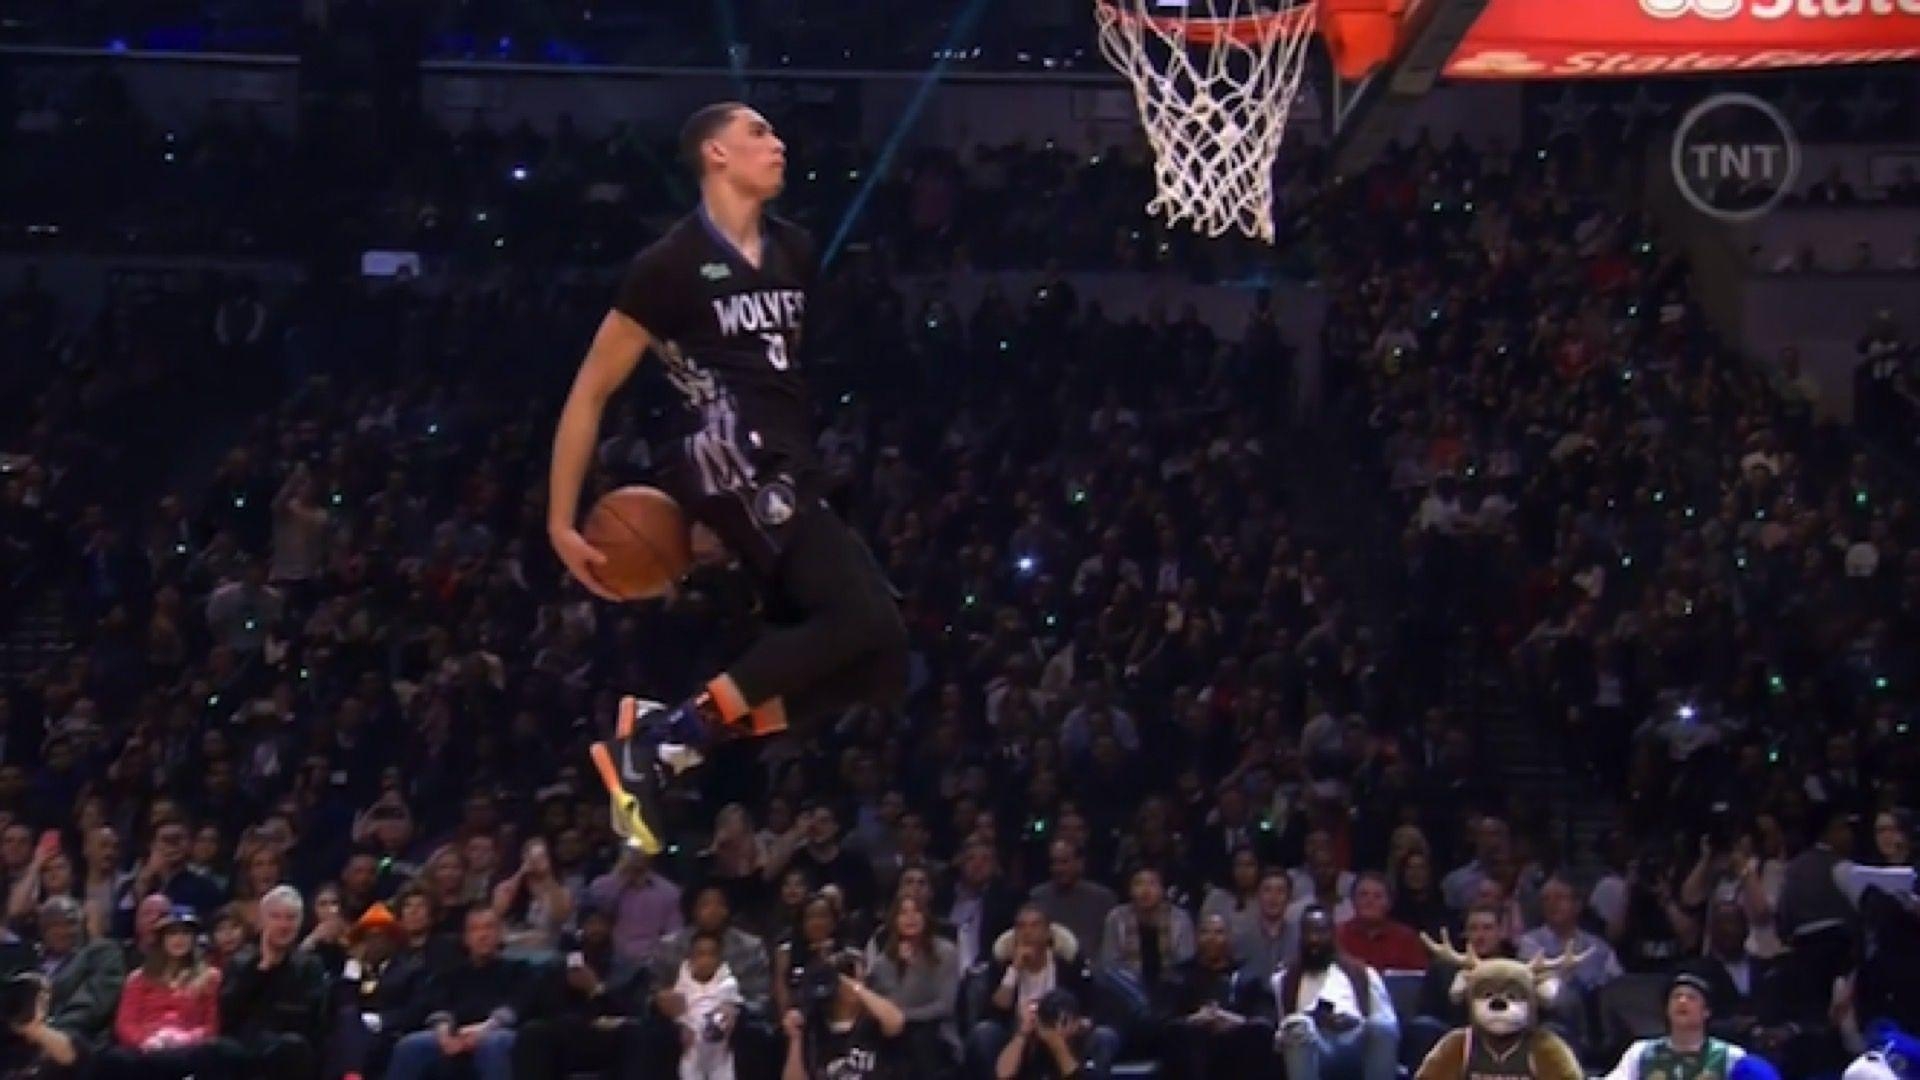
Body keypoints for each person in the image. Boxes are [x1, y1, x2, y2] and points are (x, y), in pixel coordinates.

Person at [547, 100, 909, 852]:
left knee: (883, 662)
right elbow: (588, 391)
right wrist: (559, 520)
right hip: (728, 459)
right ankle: (662, 742)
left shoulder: (797, 251)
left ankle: (668, 736)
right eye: (759, 133)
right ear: (715, 154)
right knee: (861, 619)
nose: (778, 144)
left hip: (785, 461)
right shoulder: (667, 266)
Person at [385, 906, 542, 1080]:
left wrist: (485, 1029)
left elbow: (518, 1005)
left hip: (498, 1031)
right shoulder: (452, 974)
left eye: (489, 928)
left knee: (494, 1043)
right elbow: (439, 1006)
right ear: (466, 938)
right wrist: (444, 1034)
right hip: (456, 1033)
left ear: (500, 934)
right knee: (410, 1045)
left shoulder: (520, 970)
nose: (483, 935)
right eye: (475, 929)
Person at [105, 906, 244, 1079]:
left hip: (190, 1050)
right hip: (147, 1050)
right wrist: (146, 1041)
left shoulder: (210, 977)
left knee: (219, 1050)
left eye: (185, 933)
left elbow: (211, 1025)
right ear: (162, 939)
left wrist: (185, 1039)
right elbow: (125, 1023)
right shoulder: (138, 978)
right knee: (116, 1058)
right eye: (172, 934)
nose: (179, 939)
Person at [1272, 906, 1398, 1080]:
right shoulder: (1284, 979)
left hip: (1355, 1043)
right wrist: (1312, 1021)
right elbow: (1280, 1035)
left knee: (1381, 1026)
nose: (1314, 939)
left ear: (1333, 935)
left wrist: (1355, 1022)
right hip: (1313, 1047)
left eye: (1321, 932)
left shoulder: (1362, 973)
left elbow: (1387, 1022)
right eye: (1308, 933)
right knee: (1296, 1025)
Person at [219, 884, 328, 1078]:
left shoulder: (310, 965)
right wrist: (263, 968)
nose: (283, 925)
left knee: (292, 1045)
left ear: (300, 922)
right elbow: (228, 1014)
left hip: (287, 1045)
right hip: (245, 1046)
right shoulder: (241, 961)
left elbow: (311, 1017)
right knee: (215, 1048)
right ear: (262, 921)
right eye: (275, 917)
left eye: (291, 918)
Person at [1158, 913, 1275, 1080]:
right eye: (1205, 932)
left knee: (1257, 1033)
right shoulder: (1178, 977)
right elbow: (1162, 1021)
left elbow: (1266, 1018)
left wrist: (1234, 1021)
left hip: (1238, 1043)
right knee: (1181, 1035)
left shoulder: (1249, 977)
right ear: (1197, 937)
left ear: (1229, 937)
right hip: (1193, 1046)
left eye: (1218, 932)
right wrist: (1194, 1020)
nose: (1212, 938)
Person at [1601, 972, 1755, 1080]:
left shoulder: (1730, 1056)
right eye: (1676, 997)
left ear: (1706, 1012)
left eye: (1691, 998)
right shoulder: (1640, 1052)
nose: (1682, 1001)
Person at [778, 950, 904, 1080]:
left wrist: (855, 987)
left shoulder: (873, 1021)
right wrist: (795, 1040)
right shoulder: (814, 1027)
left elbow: (896, 1022)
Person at [674, 930, 744, 1080]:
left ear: (719, 958)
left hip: (720, 1054)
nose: (706, 960)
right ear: (691, 958)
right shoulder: (683, 982)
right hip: (692, 1051)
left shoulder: (727, 982)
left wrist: (729, 1010)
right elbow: (678, 1011)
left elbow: (732, 1006)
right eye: (700, 954)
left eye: (712, 954)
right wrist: (682, 1025)